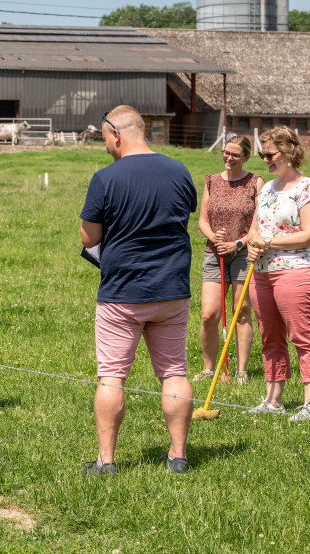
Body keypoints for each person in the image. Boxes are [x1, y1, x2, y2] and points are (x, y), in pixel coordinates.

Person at [80, 105, 197, 475]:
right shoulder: (180, 170)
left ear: (116, 134)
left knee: (112, 376)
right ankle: (178, 456)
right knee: (174, 371)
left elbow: (89, 237)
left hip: (122, 293)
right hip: (172, 289)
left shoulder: (105, 178)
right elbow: (183, 215)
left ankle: (107, 461)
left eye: (105, 140)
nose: (106, 148)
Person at [245, 126, 310, 421]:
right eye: (262, 154)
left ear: (289, 153)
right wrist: (254, 243)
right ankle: (273, 400)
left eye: (270, 154)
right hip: (263, 273)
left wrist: (268, 242)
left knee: (303, 336)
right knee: (270, 337)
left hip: (298, 271)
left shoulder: (306, 188)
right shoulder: (266, 188)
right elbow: (255, 229)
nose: (264, 159)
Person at [196, 135, 264, 385]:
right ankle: (208, 369)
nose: (229, 157)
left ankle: (241, 371)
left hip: (244, 253)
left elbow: (258, 221)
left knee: (241, 311)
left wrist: (238, 243)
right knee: (209, 314)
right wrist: (214, 237)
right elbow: (203, 219)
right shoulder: (212, 181)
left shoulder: (255, 182)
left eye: (235, 154)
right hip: (215, 253)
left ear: (246, 157)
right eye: (226, 152)